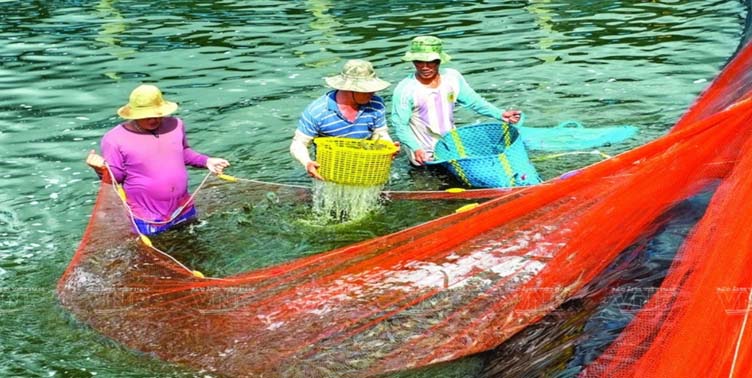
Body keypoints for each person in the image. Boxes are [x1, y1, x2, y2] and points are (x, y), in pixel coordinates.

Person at [86, 84, 230, 235]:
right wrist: (100, 168)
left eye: (157, 114)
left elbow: (182, 152)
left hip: (183, 207)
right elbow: (117, 177)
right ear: (134, 114)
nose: (153, 119)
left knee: (195, 250)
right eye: (147, 116)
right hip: (148, 217)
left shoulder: (175, 125)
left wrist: (206, 161)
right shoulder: (114, 139)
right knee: (153, 256)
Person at [391, 35, 522, 166]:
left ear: (439, 61)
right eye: (419, 62)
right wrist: (415, 148)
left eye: (431, 62)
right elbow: (400, 124)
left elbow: (473, 101)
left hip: (450, 147)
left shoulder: (452, 77)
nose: (425, 67)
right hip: (423, 154)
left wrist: (500, 114)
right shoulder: (405, 90)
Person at [290, 59, 397, 180]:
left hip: (366, 166)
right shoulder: (318, 111)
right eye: (366, 90)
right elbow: (298, 144)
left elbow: (380, 134)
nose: (372, 93)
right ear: (348, 89)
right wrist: (307, 163)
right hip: (331, 170)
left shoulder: (376, 103)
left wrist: (388, 147)